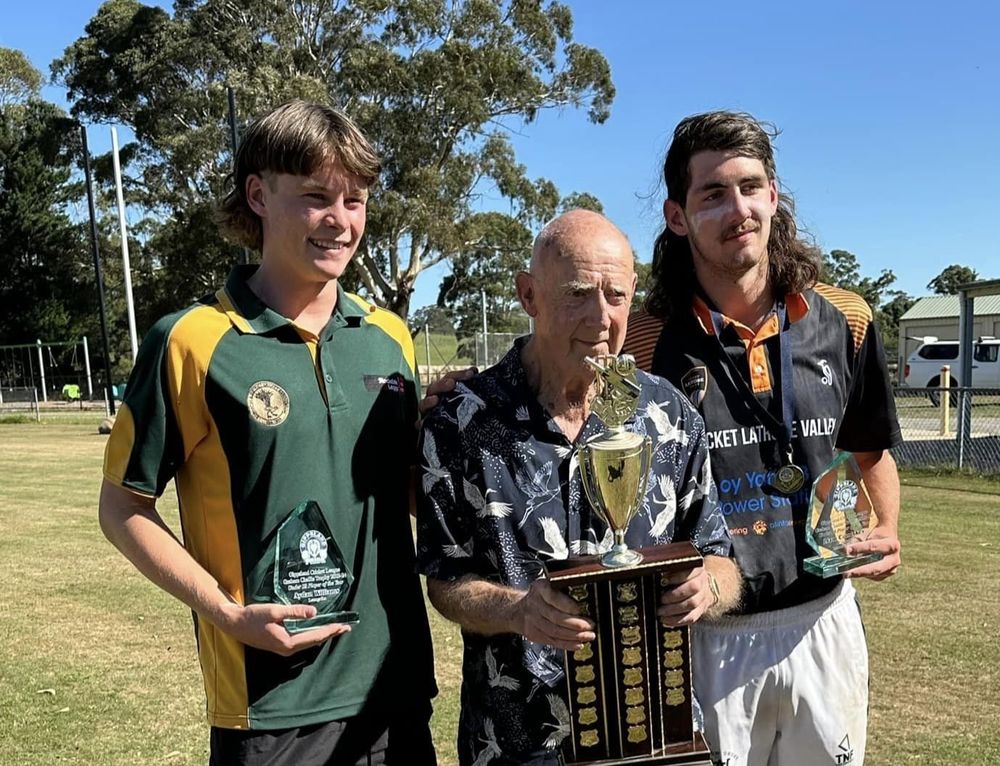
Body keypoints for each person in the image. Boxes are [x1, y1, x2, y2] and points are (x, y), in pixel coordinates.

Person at [99, 100, 436, 766]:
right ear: (258, 194)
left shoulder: (390, 337)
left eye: (356, 200)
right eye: (316, 198)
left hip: (393, 694)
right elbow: (122, 507)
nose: (341, 221)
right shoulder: (191, 342)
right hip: (270, 708)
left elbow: (407, 494)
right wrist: (227, 615)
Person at [621, 111, 902, 766]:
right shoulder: (641, 341)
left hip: (823, 618)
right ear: (677, 216)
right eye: (712, 194)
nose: (737, 209)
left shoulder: (847, 317)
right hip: (704, 635)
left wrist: (886, 524)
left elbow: (869, 449)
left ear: (774, 196)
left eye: (750, 187)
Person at [416, 209, 740, 766]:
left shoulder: (671, 415)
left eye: (616, 295)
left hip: (654, 740)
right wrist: (518, 610)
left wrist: (708, 588)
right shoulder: (459, 425)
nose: (600, 316)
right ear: (528, 295)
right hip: (517, 743)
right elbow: (446, 582)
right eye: (577, 294)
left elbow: (721, 559)